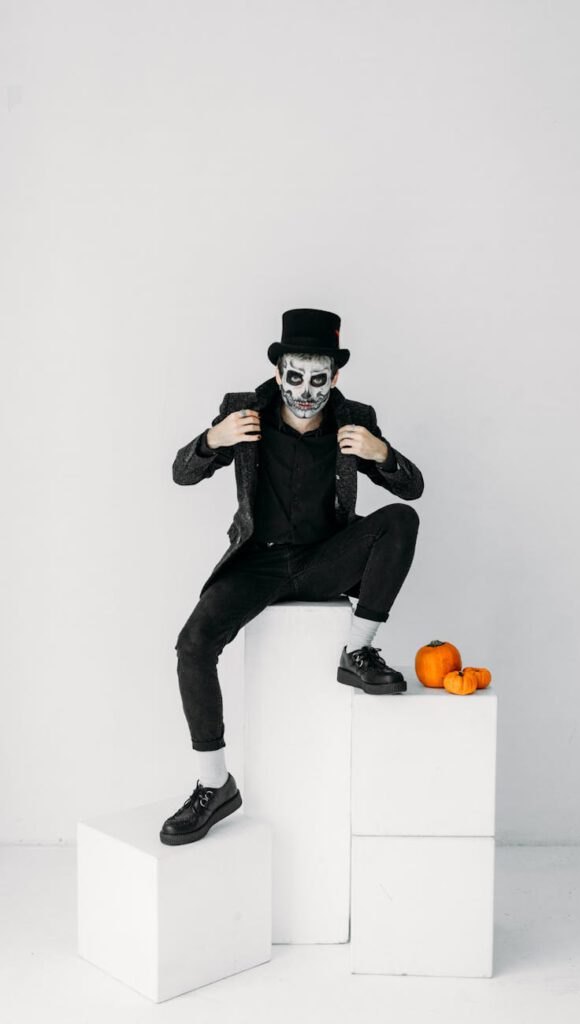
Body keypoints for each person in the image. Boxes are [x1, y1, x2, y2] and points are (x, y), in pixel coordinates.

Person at [160, 308, 424, 845]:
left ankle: (358, 650)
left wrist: (383, 453)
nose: (306, 390)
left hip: (325, 561)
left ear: (335, 377)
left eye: (319, 378)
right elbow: (182, 472)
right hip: (257, 562)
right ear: (279, 372)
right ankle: (215, 785)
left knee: (401, 520)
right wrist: (214, 439)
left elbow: (412, 489)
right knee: (193, 644)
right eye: (295, 377)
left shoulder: (356, 418)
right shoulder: (244, 412)